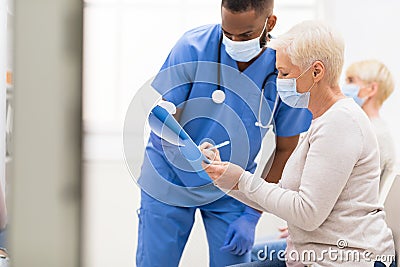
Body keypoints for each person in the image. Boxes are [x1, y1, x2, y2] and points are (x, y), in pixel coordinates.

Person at [201, 20, 395, 266]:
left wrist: (241, 179)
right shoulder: (323, 119)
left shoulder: (341, 123)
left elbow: (307, 213)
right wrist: (224, 177)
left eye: (284, 73)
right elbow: (283, 195)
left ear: (316, 71)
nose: (278, 81)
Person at [136, 0, 312, 266]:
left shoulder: (284, 68)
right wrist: (189, 150)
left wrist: (252, 215)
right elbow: (163, 116)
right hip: (169, 177)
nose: (234, 41)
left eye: (246, 35)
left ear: (270, 23)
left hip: (231, 187)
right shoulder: (193, 47)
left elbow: (286, 148)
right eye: (227, 32)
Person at [342, 60, 397, 190]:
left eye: (350, 80)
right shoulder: (371, 129)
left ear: (371, 89)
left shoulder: (373, 135)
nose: (343, 86)